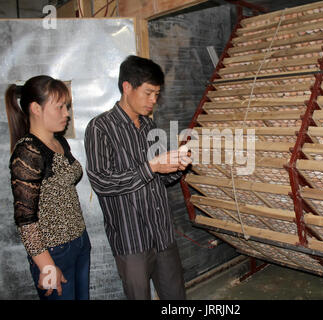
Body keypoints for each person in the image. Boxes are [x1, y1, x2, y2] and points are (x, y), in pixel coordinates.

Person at [84, 55, 191, 300]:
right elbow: (102, 181)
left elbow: (161, 179)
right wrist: (151, 167)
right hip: (131, 240)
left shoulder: (150, 127)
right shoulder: (100, 128)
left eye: (157, 94)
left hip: (162, 234)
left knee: (176, 298)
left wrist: (176, 166)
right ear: (127, 87)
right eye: (148, 93)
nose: (154, 100)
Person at [6, 75, 91, 300]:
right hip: (54, 252)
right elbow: (25, 220)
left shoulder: (58, 142)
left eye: (67, 106)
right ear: (36, 108)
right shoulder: (28, 152)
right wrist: (46, 266)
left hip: (79, 241)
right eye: (60, 107)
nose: (67, 113)